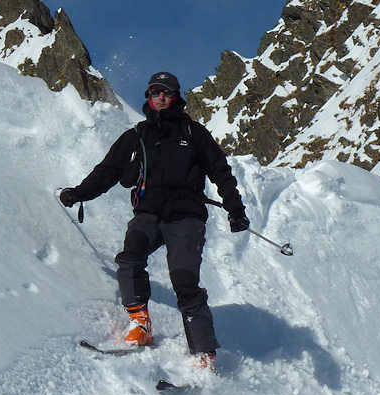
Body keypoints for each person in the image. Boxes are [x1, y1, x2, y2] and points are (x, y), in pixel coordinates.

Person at [59, 71, 250, 370]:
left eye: (167, 92)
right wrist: (79, 193)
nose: (161, 97)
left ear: (176, 97)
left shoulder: (194, 133)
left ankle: (203, 352)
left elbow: (221, 172)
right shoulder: (137, 136)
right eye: (155, 92)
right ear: (148, 96)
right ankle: (140, 322)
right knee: (129, 258)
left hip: (186, 217)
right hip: (149, 214)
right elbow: (108, 171)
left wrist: (235, 209)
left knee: (185, 280)